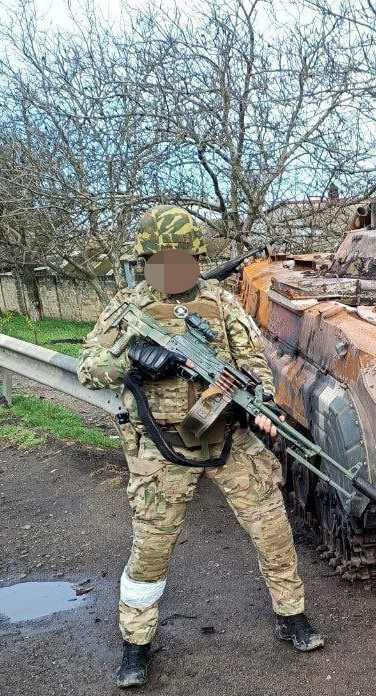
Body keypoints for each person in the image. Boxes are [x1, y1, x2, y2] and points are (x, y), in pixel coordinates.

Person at [78, 206, 323, 689]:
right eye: (161, 260)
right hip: (160, 446)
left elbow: (257, 365)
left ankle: (292, 616)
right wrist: (136, 363)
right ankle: (135, 644)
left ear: (196, 258)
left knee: (273, 530)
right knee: (150, 548)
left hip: (230, 438)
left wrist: (260, 407)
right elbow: (88, 369)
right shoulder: (126, 309)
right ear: (146, 260)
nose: (172, 271)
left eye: (181, 260)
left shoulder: (223, 304)